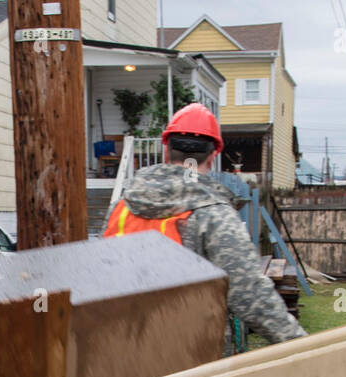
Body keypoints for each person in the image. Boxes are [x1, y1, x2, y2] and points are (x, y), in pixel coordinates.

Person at [102, 103, 306, 355]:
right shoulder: (214, 215)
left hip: (121, 354)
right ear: (213, 156)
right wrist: (305, 348)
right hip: (187, 363)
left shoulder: (120, 207)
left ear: (166, 150)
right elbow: (250, 296)